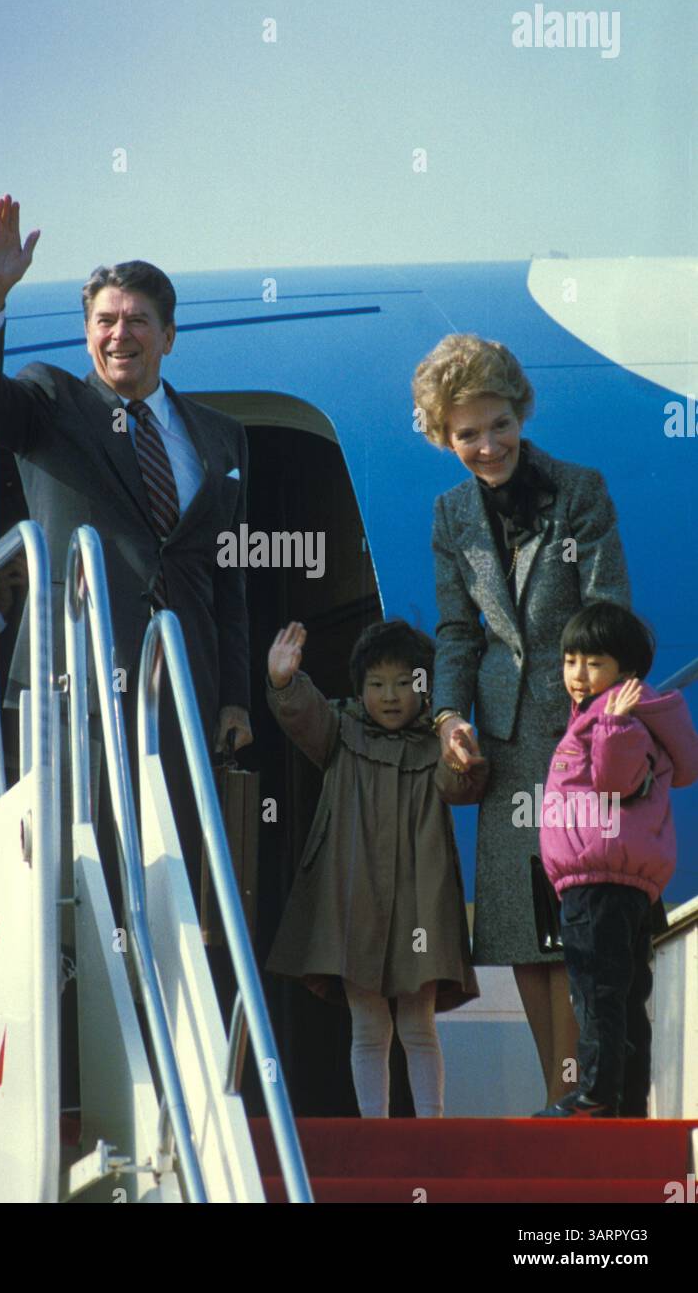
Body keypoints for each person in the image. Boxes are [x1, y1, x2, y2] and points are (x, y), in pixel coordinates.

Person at [0, 194, 253, 902]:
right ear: (87, 333)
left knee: (175, 876)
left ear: (168, 336)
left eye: (138, 320)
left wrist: (234, 698)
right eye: (105, 321)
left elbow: (229, 578)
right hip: (73, 684)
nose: (121, 334)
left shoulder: (221, 436)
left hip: (182, 685)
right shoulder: (49, 402)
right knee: (84, 881)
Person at [413, 333, 632, 1109]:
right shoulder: (450, 516)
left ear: (520, 411)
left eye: (498, 424)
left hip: (577, 735)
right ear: (444, 436)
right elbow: (457, 633)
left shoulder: (578, 491)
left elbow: (610, 613)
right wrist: (448, 718)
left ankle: (587, 1098)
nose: (487, 444)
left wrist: (596, 714)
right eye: (467, 432)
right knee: (521, 936)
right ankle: (558, 1095)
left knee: (577, 925)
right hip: (501, 744)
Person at [264, 619, 486, 1119]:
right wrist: (284, 681)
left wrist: (460, 755)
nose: (390, 696)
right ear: (359, 687)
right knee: (367, 1025)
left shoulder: (436, 742)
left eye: (405, 683)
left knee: (417, 1024)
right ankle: (375, 1131)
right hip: (354, 898)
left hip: (419, 900)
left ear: (426, 687)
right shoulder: (341, 730)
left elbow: (461, 789)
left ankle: (432, 1127)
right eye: (377, 684)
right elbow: (304, 716)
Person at [537, 603, 698, 1117]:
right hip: (617, 879)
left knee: (597, 992)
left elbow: (615, 783)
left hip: (598, 878)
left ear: (626, 672)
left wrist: (611, 725)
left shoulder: (619, 720)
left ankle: (596, 1095)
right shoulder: (619, 715)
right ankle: (626, 1101)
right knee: (626, 997)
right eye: (570, 661)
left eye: (594, 663)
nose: (578, 675)